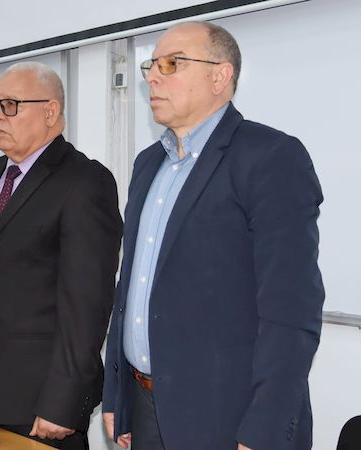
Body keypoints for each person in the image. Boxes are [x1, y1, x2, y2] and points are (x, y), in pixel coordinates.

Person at [102, 21, 325, 450]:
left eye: (173, 64)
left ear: (220, 76)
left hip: (226, 415)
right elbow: (130, 286)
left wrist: (265, 430)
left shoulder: (270, 157)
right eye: (152, 65)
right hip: (145, 406)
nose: (153, 77)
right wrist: (117, 394)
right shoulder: (148, 164)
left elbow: (292, 310)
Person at [0, 62, 122, 449]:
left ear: (50, 112)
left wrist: (63, 402)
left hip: (38, 402)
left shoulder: (84, 181)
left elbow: (87, 307)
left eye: (11, 105)